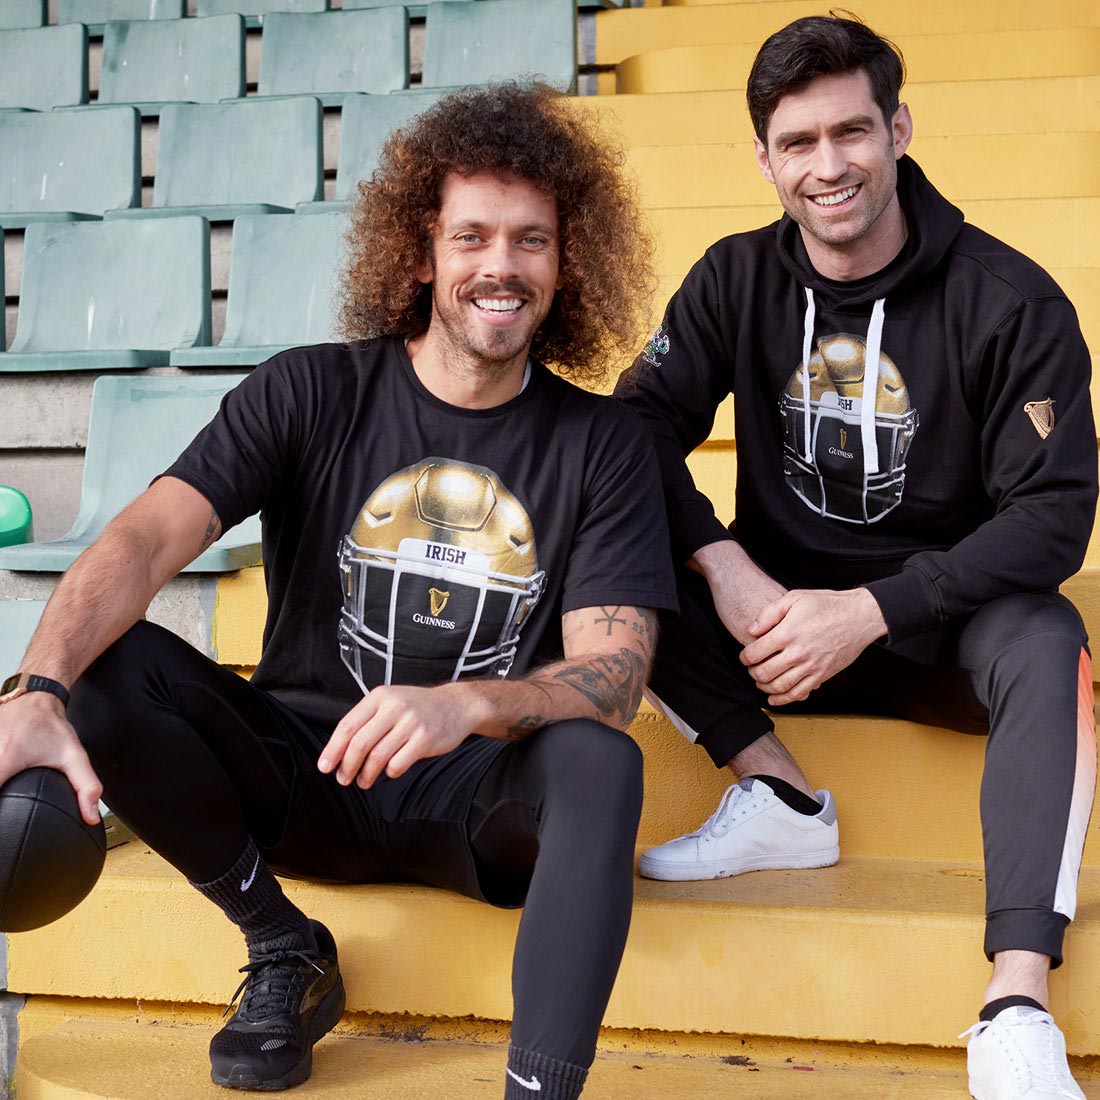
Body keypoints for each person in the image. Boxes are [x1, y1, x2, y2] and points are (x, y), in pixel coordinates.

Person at [0, 83, 676, 1097]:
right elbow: (143, 539)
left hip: (476, 800)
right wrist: (35, 690)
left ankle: (539, 1087)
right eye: (472, 236)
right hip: (304, 772)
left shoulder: (606, 443)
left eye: (530, 240)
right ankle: (282, 945)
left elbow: (614, 673)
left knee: (599, 760)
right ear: (420, 252)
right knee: (102, 667)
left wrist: (465, 704)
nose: (501, 265)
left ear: (564, 260)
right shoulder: (310, 388)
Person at [615, 14, 1097, 1100]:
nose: (825, 165)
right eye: (796, 142)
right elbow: (630, 429)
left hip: (938, 626)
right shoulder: (732, 278)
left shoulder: (1007, 300)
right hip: (772, 627)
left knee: (1046, 635)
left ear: (898, 129)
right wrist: (726, 565)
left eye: (850, 132)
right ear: (762, 158)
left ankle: (1014, 1000)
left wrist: (875, 607)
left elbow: (1052, 515)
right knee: (591, 541)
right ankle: (779, 798)